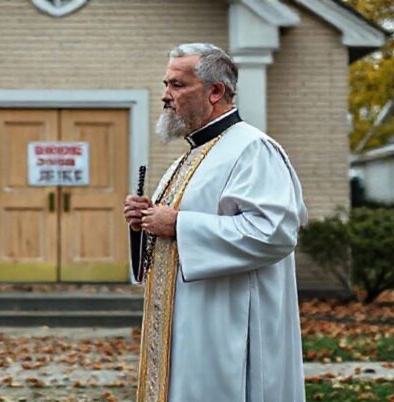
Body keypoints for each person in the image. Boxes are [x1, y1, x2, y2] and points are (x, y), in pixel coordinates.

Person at [124, 43, 308, 402]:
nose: (165, 96)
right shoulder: (188, 158)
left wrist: (178, 224)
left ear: (215, 92)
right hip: (185, 324)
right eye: (166, 84)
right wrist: (143, 224)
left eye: (177, 85)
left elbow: (275, 233)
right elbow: (169, 234)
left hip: (228, 327)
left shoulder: (252, 149)